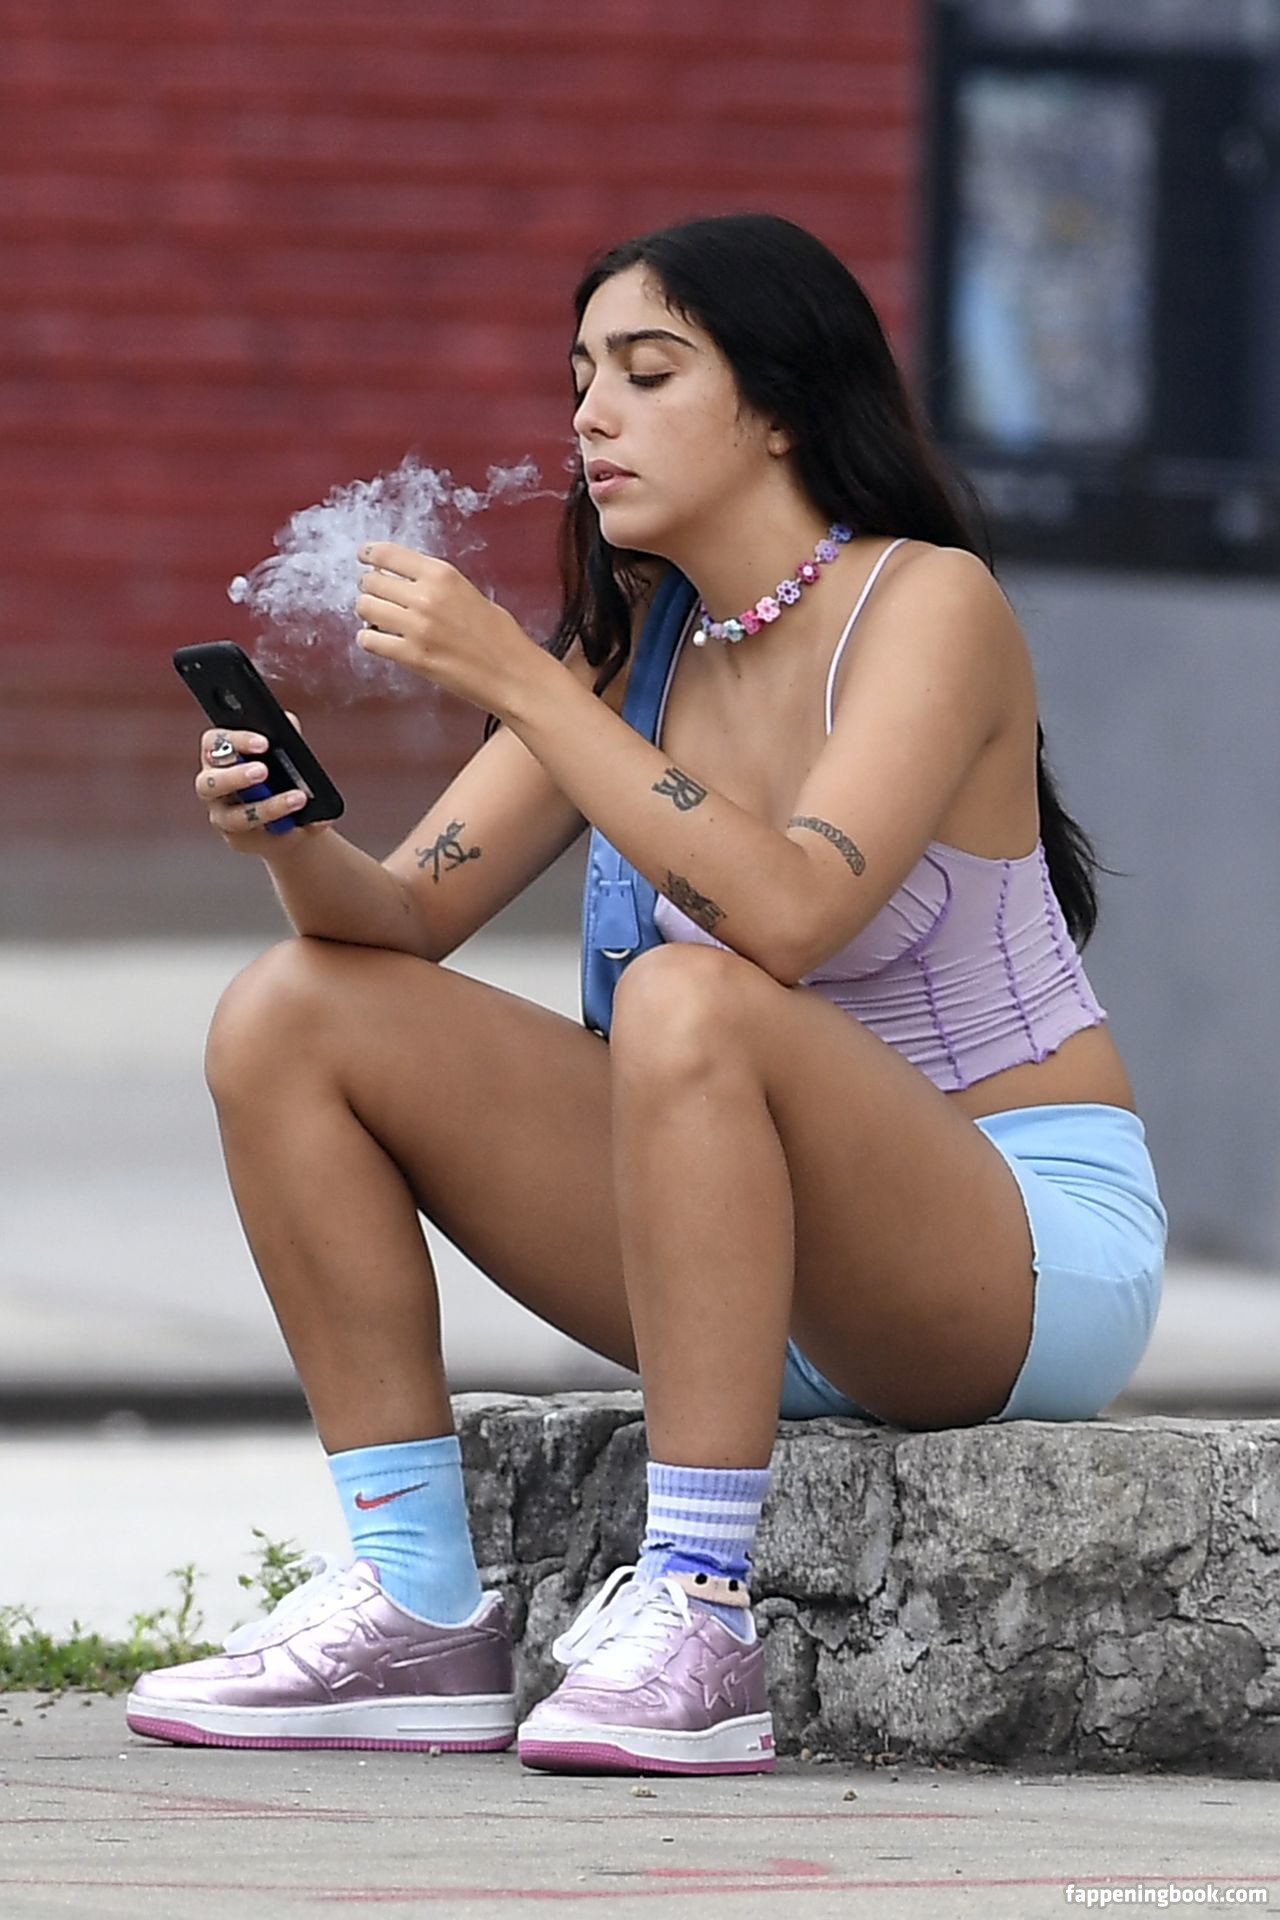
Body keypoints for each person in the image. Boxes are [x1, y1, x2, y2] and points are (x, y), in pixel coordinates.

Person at [127, 213, 1167, 1774]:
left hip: (1007, 1258)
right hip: (746, 1261)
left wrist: (517, 677)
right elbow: (399, 923)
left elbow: (791, 916)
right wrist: (293, 836)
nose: (591, 416)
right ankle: (416, 1604)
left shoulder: (928, 605)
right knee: (293, 1009)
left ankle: (697, 1609)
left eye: (648, 372)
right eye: (578, 379)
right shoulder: (635, 651)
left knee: (694, 994)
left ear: (779, 407)